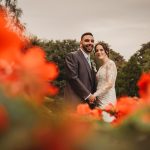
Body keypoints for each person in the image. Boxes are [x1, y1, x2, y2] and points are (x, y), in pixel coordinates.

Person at [64, 32, 97, 109]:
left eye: (92, 41)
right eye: (87, 40)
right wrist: (88, 95)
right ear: (81, 43)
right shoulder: (72, 56)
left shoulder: (91, 61)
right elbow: (73, 78)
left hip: (89, 105)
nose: (90, 43)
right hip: (75, 103)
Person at [93, 41, 117, 122]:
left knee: (108, 122)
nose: (99, 52)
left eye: (101, 50)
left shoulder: (110, 64)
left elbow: (110, 84)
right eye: (96, 50)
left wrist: (94, 95)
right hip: (99, 101)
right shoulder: (100, 67)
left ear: (106, 51)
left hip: (108, 100)